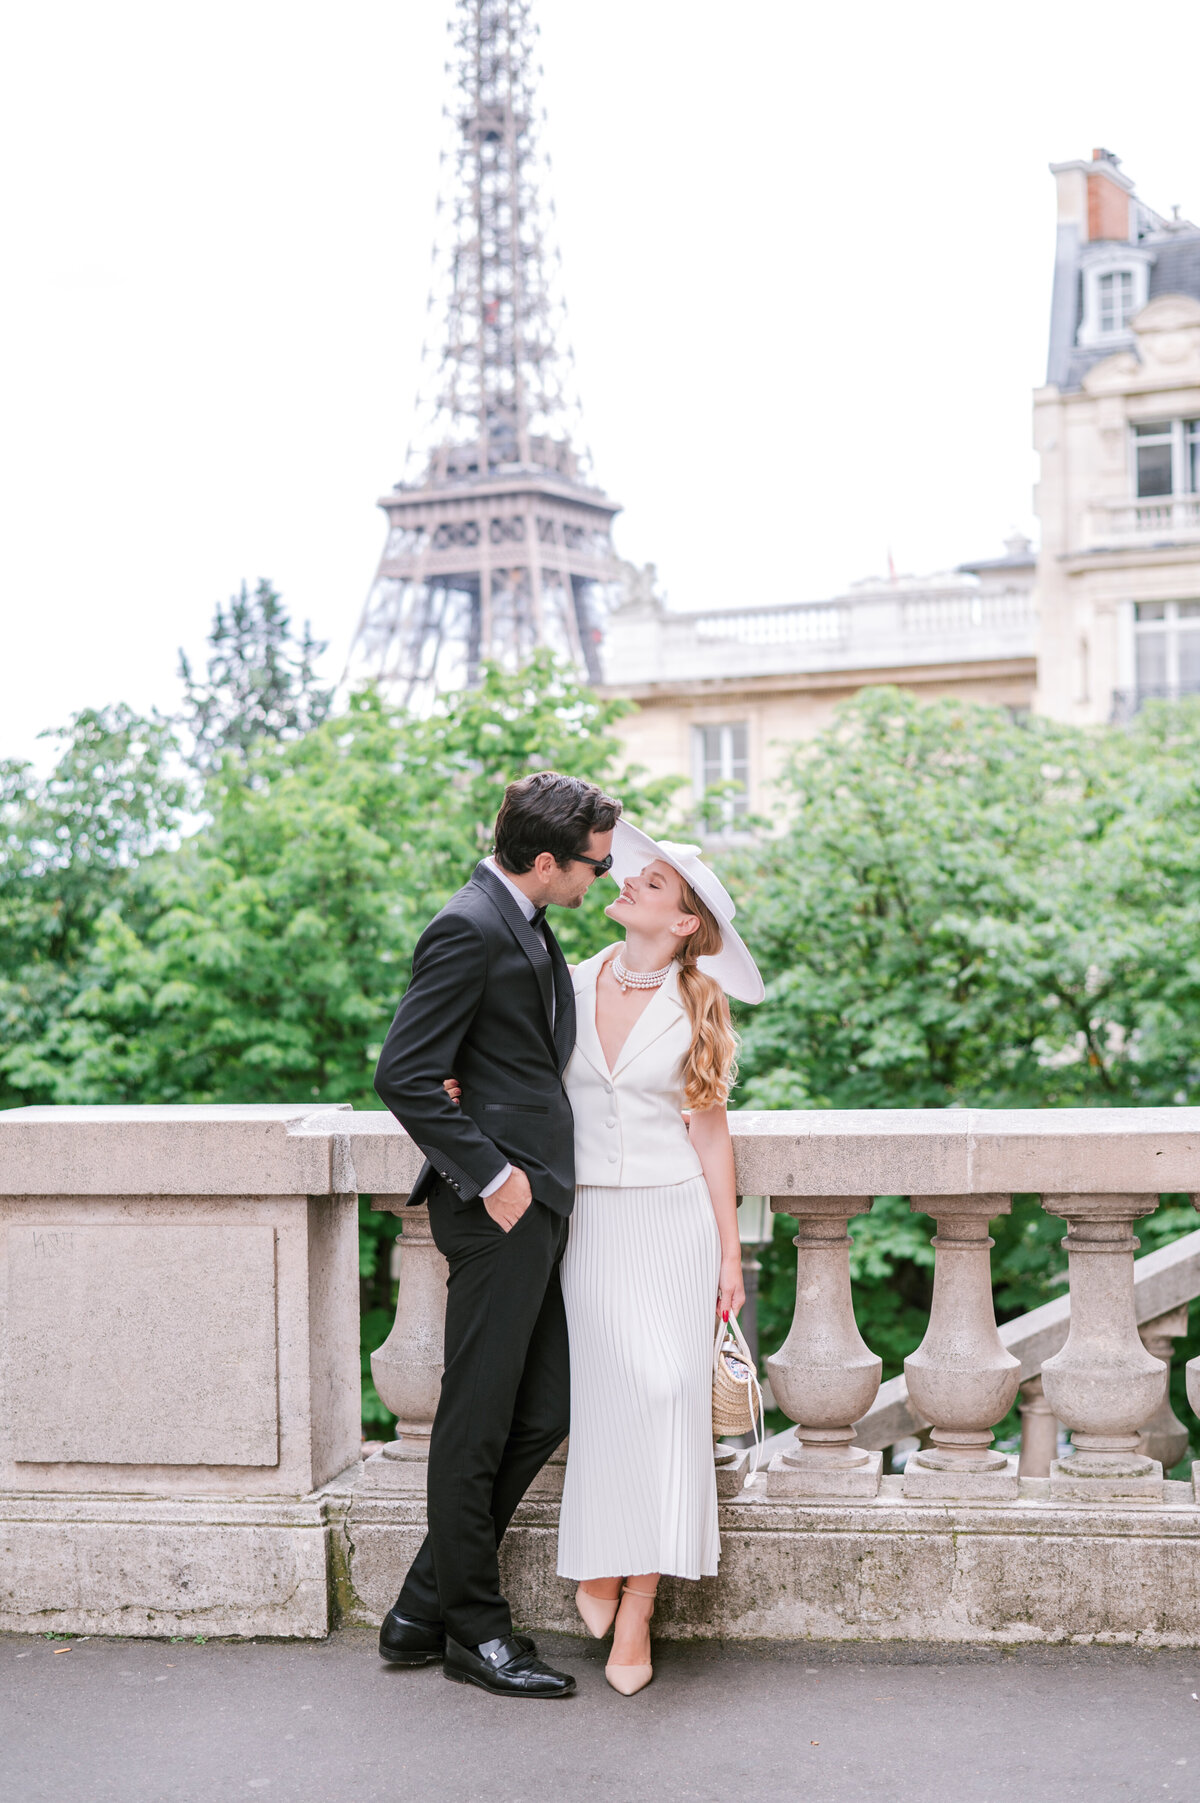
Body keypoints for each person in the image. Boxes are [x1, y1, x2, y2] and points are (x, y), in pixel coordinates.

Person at [372, 770, 620, 1700]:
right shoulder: (469, 926)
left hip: (538, 1200)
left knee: (545, 1405)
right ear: (545, 859)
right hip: (499, 1208)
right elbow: (405, 1071)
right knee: (474, 1422)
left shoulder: (524, 920)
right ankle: (474, 1631)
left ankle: (420, 1604)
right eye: (593, 865)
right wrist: (494, 1173)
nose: (599, 879)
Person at [556, 823, 763, 1695]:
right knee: (610, 1400)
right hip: (590, 1222)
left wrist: (729, 1253)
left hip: (674, 1219)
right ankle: (599, 1562)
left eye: (655, 883)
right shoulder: (565, 982)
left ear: (683, 923)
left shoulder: (699, 1005)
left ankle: (637, 1597)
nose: (631, 880)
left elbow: (710, 1136)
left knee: (668, 1395)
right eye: (637, 875)